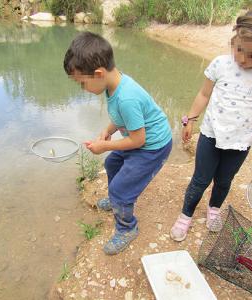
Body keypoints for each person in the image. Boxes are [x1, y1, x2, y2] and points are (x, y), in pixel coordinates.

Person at [170, 4, 252, 241]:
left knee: (224, 180)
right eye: (238, 49)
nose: (242, 59)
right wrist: (190, 120)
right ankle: (185, 215)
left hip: (241, 142)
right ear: (235, 39)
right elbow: (203, 94)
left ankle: (214, 209)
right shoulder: (220, 64)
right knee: (200, 179)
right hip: (211, 134)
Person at [64, 32, 172, 254]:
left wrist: (105, 146)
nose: (82, 89)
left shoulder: (126, 97)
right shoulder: (114, 84)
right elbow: (120, 118)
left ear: (98, 73)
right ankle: (117, 198)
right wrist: (107, 130)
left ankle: (127, 228)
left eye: (82, 83)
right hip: (140, 141)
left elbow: (138, 139)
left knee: (121, 190)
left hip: (153, 147)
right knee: (112, 164)